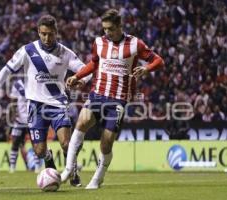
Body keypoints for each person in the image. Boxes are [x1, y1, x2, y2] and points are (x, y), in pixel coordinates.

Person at [61, 9, 164, 189]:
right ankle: (69, 169)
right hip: (97, 94)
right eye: (104, 29)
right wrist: (77, 76)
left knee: (106, 142)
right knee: (81, 124)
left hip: (118, 99)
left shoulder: (135, 44)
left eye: (110, 29)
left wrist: (147, 69)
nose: (106, 32)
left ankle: (98, 178)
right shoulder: (99, 42)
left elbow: (158, 61)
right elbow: (94, 63)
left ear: (119, 27)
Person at [0, 14, 91, 186]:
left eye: (50, 33)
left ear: (56, 32)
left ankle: (72, 172)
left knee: (65, 143)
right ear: (38, 32)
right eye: (43, 34)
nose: (46, 38)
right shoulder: (27, 50)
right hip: (35, 106)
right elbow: (7, 69)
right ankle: (48, 160)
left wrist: (81, 80)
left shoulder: (65, 53)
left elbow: (87, 70)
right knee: (39, 150)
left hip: (58, 105)